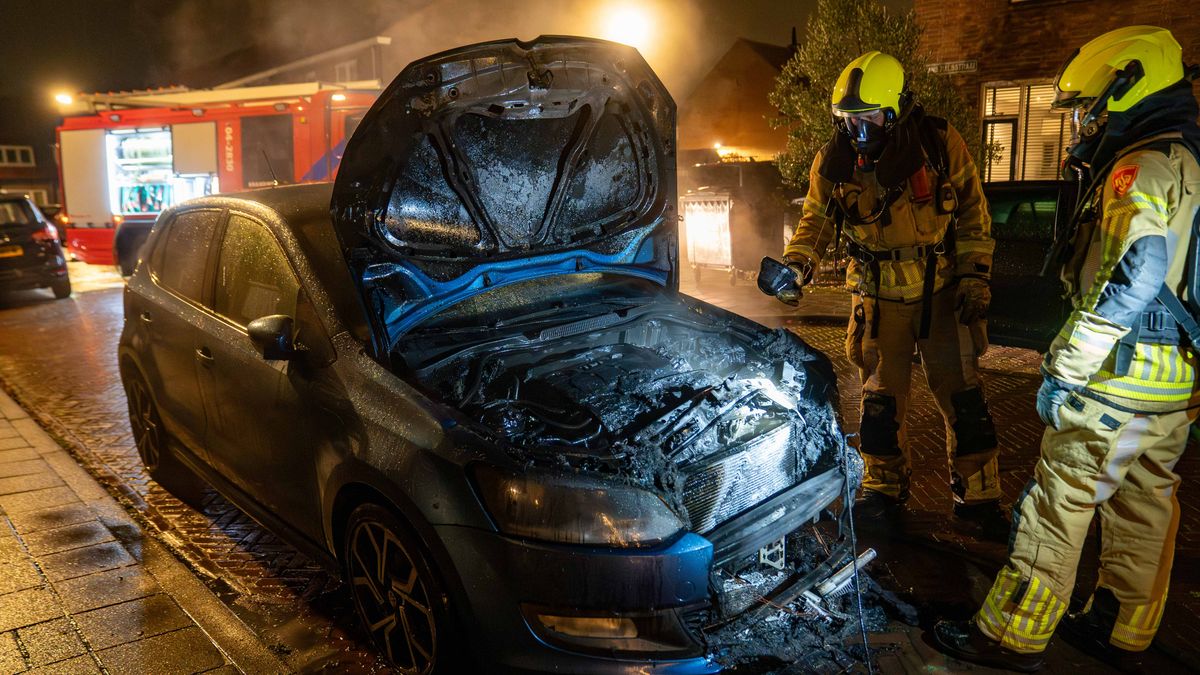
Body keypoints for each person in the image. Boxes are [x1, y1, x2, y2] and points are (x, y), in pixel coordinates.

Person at [934, 26, 1200, 672]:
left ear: (1126, 90)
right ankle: (1120, 629)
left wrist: (1069, 362)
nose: (1080, 124)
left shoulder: (1138, 167)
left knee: (1058, 501)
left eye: (1087, 109)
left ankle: (1011, 634)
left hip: (1114, 376)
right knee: (1144, 504)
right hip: (1173, 381)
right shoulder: (1189, 160)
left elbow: (1136, 267)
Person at [779, 50, 1007, 536]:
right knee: (880, 405)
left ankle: (980, 498)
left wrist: (974, 278)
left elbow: (973, 214)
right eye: (849, 121)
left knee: (966, 402)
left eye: (870, 120)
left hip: (942, 293)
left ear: (897, 108)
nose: (860, 133)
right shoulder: (833, 160)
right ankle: (882, 491)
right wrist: (797, 265)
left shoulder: (940, 144)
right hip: (877, 300)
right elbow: (814, 223)